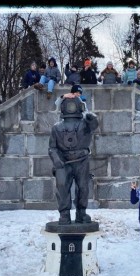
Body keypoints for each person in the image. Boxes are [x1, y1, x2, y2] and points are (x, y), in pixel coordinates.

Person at [49, 89, 99, 225]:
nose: (71, 106)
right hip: (63, 162)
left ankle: (81, 213)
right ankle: (64, 214)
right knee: (62, 187)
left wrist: (90, 117)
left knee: (83, 187)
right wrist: (57, 160)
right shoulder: (56, 127)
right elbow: (52, 148)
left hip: (81, 160)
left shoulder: (85, 124)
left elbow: (94, 124)